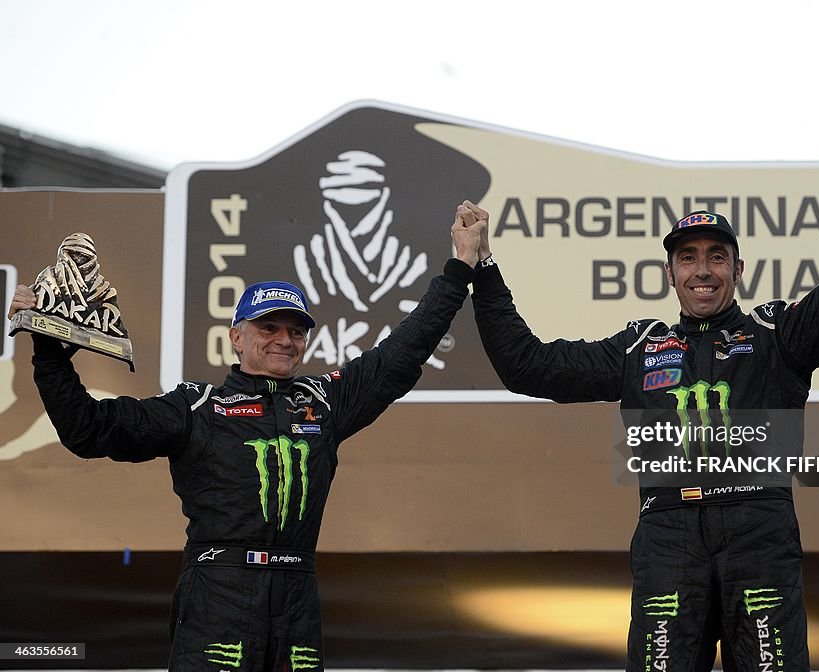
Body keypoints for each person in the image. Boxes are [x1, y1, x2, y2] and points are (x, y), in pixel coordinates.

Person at [465, 94, 819, 671]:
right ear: (670, 273)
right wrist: (483, 270)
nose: (703, 270)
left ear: (738, 270)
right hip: (669, 536)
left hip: (759, 532)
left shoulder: (778, 335)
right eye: (688, 258)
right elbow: (527, 366)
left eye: (717, 257)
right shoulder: (639, 350)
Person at [6, 216, 486, 671]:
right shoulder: (197, 406)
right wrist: (47, 345)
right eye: (268, 328)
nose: (285, 340)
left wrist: (459, 268)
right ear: (237, 337)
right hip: (218, 593)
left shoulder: (325, 399)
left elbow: (402, 352)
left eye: (296, 331)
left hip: (298, 595)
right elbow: (89, 429)